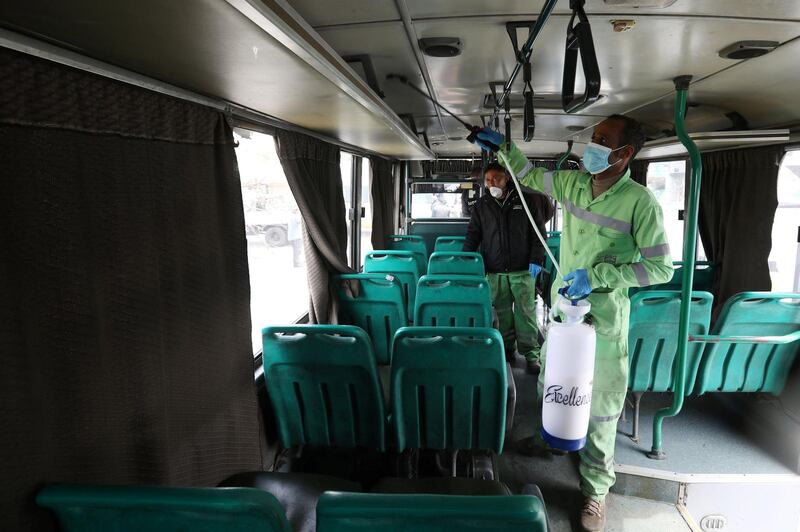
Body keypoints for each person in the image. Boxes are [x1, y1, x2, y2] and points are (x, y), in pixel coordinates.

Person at [473, 115, 673, 532]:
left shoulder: (640, 202)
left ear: (624, 154)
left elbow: (660, 268)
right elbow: (529, 176)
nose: (592, 145)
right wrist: (504, 148)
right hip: (564, 313)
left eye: (603, 141)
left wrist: (599, 276)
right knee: (553, 385)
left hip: (602, 323)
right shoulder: (576, 184)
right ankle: (552, 439)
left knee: (598, 408)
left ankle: (595, 492)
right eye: (594, 137)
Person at [463, 162, 553, 373]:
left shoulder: (525, 201)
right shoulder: (482, 205)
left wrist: (536, 260)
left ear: (507, 179)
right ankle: (507, 349)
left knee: (526, 313)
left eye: (496, 178)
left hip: (523, 269)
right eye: (487, 180)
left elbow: (539, 235)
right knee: (502, 313)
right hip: (494, 270)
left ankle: (531, 355)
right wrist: (465, 258)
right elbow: (473, 235)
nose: (491, 183)